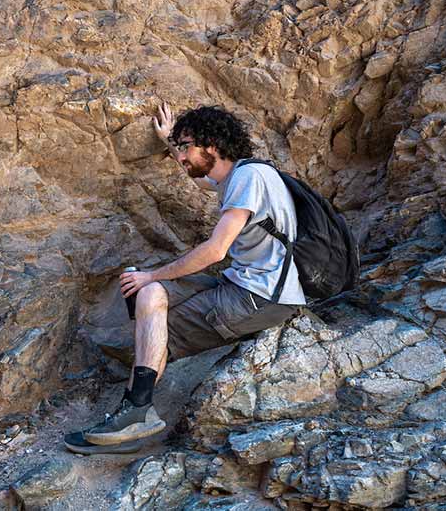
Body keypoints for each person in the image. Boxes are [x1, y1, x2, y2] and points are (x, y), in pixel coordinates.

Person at [64, 102, 306, 453]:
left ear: (211, 144)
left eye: (187, 146)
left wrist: (152, 275)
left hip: (261, 297)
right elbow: (207, 182)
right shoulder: (240, 177)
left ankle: (133, 418)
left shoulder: (250, 178)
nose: (181, 158)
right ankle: (134, 414)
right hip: (243, 286)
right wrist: (171, 144)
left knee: (153, 321)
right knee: (148, 295)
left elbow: (215, 251)